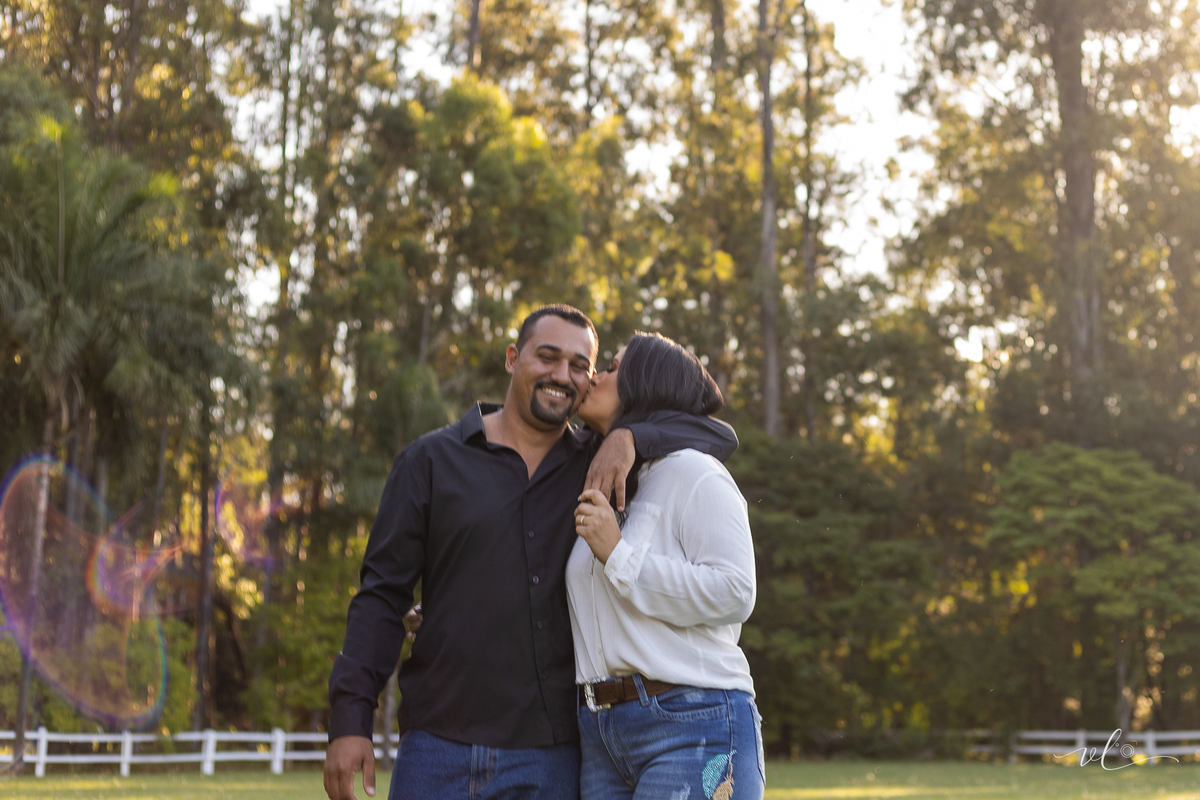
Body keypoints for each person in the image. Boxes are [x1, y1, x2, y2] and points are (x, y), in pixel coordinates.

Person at [323, 306, 738, 800]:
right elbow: (381, 598)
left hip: (554, 757)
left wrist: (632, 435)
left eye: (581, 365)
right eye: (547, 357)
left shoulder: (601, 464)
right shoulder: (430, 462)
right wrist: (350, 720)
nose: (562, 375)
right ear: (512, 358)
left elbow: (717, 434)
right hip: (437, 746)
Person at [569, 332, 763, 800]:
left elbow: (737, 591)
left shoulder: (694, 473)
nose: (596, 375)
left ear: (644, 387)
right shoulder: (601, 479)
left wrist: (619, 556)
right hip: (599, 736)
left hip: (692, 720)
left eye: (613, 367)